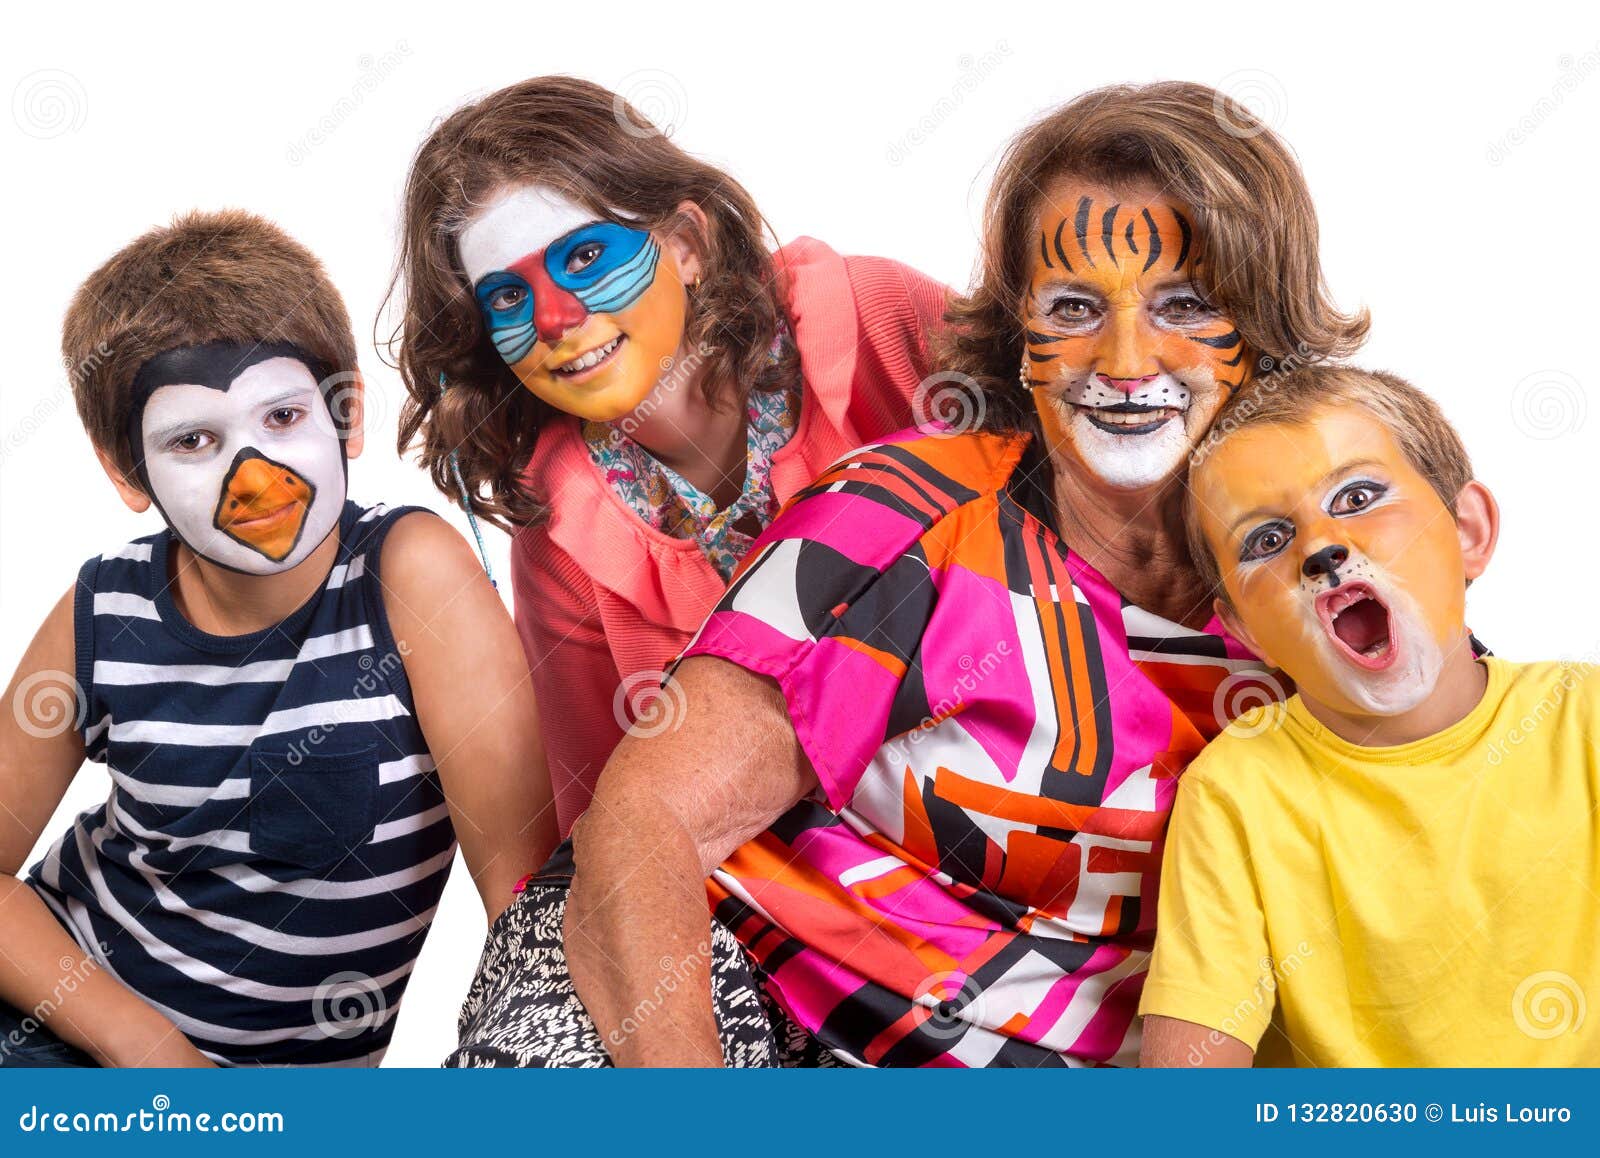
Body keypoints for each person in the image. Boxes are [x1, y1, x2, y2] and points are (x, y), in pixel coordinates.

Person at [450, 81, 1367, 1067]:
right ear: (1019, 333)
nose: (1125, 358)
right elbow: (634, 824)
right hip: (738, 959)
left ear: (1261, 321)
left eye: (1184, 305)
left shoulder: (1332, 593)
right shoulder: (903, 511)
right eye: (1071, 308)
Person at [0, 210, 555, 1067]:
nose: (255, 476)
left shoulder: (411, 575)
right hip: (62, 1034)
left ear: (348, 417)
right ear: (125, 471)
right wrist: (149, 1049)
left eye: (286, 418)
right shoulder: (105, 611)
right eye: (194, 440)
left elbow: (523, 897)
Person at [389, 76, 947, 838]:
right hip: (814, 908)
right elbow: (609, 822)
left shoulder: (876, 317)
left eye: (584, 256)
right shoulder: (561, 537)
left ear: (686, 243)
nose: (555, 319)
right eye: (508, 299)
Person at [1141, 365, 1596, 1068]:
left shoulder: (1583, 719)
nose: (1320, 548)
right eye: (1264, 540)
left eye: (1357, 496)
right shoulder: (1238, 790)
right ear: (1246, 630)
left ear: (1468, 531)